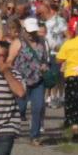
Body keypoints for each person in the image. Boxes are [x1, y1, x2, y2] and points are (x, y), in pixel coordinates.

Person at [13, 17, 52, 147]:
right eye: (28, 32)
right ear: (24, 30)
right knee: (21, 108)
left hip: (38, 80)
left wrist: (45, 66)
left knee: (38, 107)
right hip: (22, 80)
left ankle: (34, 136)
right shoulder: (18, 42)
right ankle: (12, 129)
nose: (31, 35)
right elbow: (10, 60)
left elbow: (46, 59)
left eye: (33, 32)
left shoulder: (42, 42)